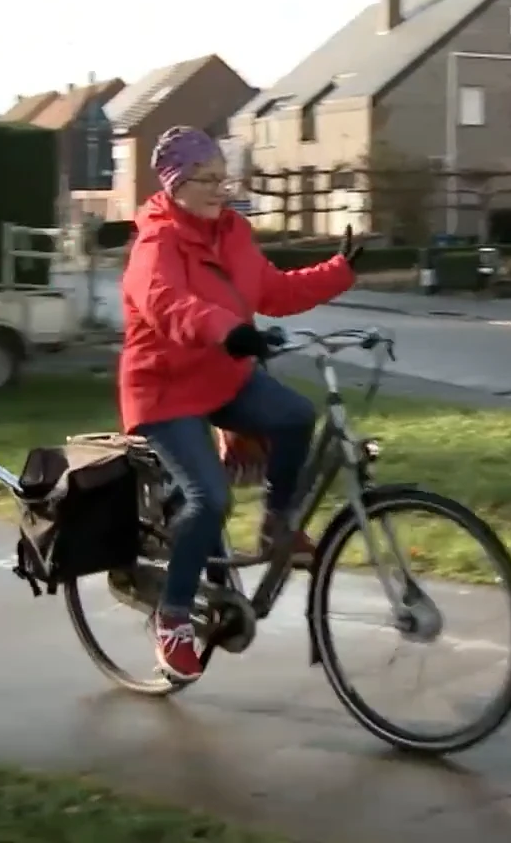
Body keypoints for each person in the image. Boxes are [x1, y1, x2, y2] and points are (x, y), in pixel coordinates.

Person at [118, 126, 357, 680]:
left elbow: (272, 290)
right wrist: (229, 331)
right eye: (205, 179)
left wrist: (338, 272)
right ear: (175, 184)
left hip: (222, 376)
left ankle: (277, 526)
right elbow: (167, 305)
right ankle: (173, 619)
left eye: (223, 177)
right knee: (210, 498)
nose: (219, 189)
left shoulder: (232, 234)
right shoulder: (156, 244)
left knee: (297, 416)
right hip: (164, 390)